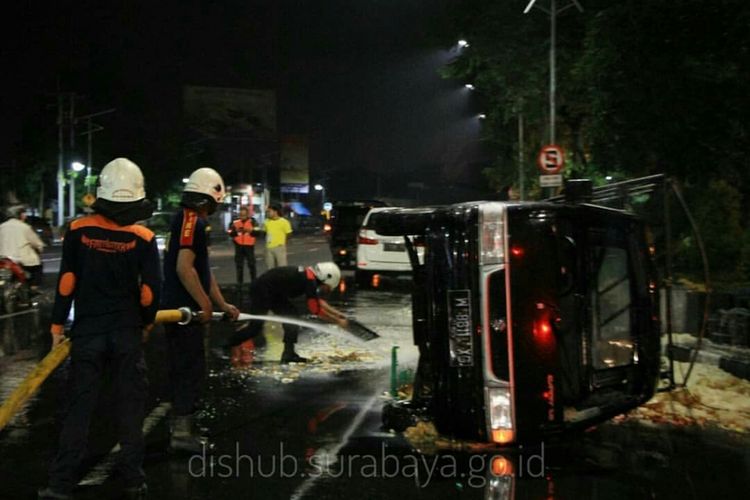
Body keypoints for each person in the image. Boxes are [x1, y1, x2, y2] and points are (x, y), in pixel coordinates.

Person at [38, 158, 160, 500]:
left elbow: (67, 281)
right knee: (130, 406)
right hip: (126, 333)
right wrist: (147, 323)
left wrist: (57, 325)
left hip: (88, 333)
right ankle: (133, 478)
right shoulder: (144, 237)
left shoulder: (78, 230)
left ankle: (60, 483)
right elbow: (151, 291)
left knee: (79, 408)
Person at [160, 167, 239, 453]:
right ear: (209, 197)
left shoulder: (191, 221)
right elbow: (184, 268)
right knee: (186, 369)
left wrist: (221, 304)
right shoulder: (190, 221)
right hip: (183, 311)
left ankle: (185, 428)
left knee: (193, 367)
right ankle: (181, 435)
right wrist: (204, 305)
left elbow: (203, 272)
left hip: (189, 309)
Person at [224, 262, 348, 364]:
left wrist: (337, 314)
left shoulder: (309, 276)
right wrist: (338, 322)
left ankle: (289, 354)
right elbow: (315, 309)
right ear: (326, 277)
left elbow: (318, 302)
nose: (328, 289)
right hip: (262, 291)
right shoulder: (309, 280)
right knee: (255, 327)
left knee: (292, 316)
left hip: (274, 293)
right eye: (328, 286)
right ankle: (228, 344)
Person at [0, 205, 45, 290]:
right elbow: (37, 243)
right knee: (38, 267)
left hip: (3, 259)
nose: (25, 215)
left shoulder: (2, 226)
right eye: (24, 213)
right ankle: (33, 289)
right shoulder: (24, 227)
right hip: (22, 260)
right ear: (20, 215)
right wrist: (39, 248)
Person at [228, 207, 258, 287]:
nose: (242, 216)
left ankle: (254, 282)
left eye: (244, 214)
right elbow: (229, 232)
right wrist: (236, 232)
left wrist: (250, 230)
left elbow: (258, 232)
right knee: (239, 265)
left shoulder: (253, 221)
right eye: (241, 214)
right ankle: (239, 283)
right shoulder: (235, 222)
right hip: (239, 246)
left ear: (247, 214)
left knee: (252, 264)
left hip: (249, 246)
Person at [262, 204, 292, 269]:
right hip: (268, 248)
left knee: (281, 268)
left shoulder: (284, 222)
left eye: (269, 211)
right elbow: (264, 232)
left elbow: (289, 233)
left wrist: (283, 242)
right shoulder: (266, 222)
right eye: (267, 212)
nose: (268, 213)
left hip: (279, 247)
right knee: (270, 268)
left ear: (275, 212)